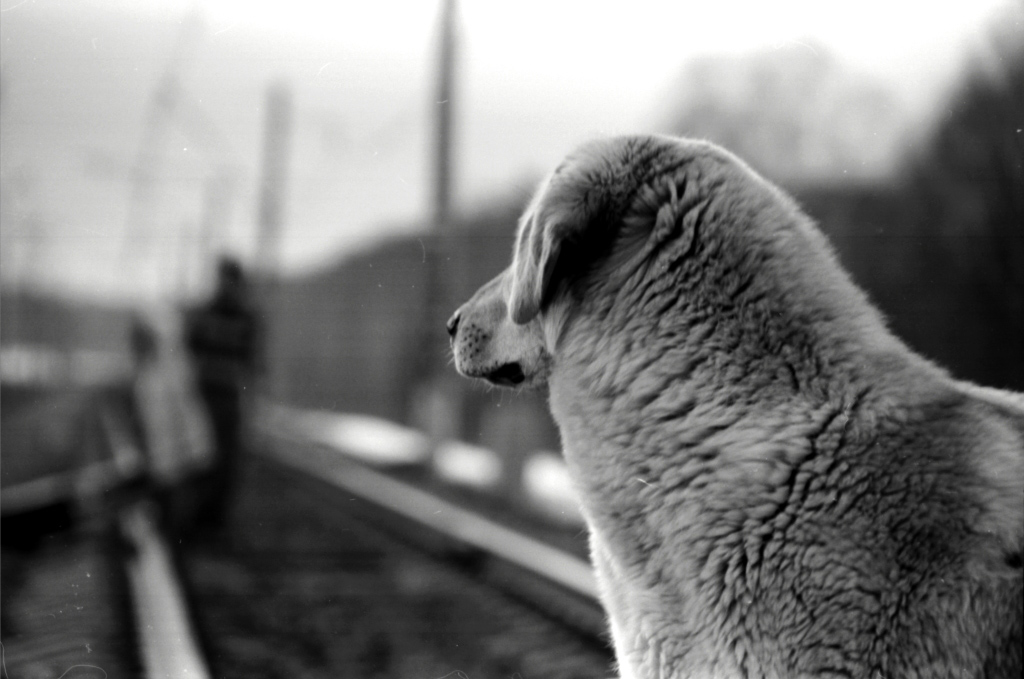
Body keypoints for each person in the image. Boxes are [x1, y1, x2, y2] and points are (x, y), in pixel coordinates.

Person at [185, 256, 262, 530]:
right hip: (203, 397)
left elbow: (252, 364)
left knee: (225, 463)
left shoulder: (247, 318)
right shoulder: (203, 314)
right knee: (201, 458)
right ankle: (198, 518)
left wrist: (251, 408)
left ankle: (215, 521)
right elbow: (188, 353)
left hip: (228, 398)